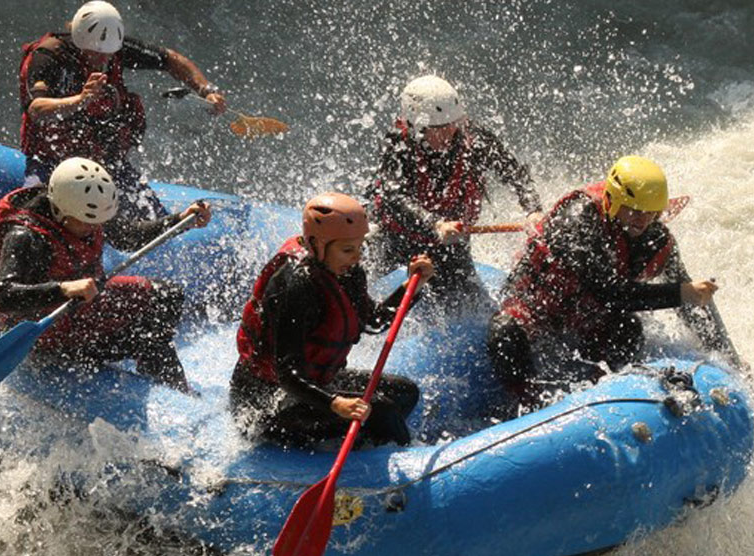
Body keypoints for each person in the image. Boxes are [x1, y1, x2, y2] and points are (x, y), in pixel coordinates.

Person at [487, 156, 723, 408]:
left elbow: (693, 300)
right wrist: (681, 293)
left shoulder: (656, 238)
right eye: (634, 211)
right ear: (612, 200)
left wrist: (723, 353)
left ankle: (601, 391)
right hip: (536, 309)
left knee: (628, 330)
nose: (642, 221)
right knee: (504, 332)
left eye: (651, 213)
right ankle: (526, 403)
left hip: (586, 319)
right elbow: (610, 294)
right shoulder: (578, 218)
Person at [0, 157, 211, 391]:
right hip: (43, 329)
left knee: (167, 296)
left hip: (82, 306)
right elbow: (5, 297)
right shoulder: (26, 235)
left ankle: (159, 376)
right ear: (59, 210)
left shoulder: (85, 207)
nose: (94, 229)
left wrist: (179, 221)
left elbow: (128, 237)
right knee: (145, 337)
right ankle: (166, 386)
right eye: (86, 224)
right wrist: (64, 289)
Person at [231, 193, 434, 449]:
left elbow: (372, 322)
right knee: (381, 410)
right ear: (316, 245)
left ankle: (366, 446)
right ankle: (404, 462)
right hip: (267, 403)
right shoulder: (294, 287)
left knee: (404, 393)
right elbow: (287, 375)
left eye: (360, 247)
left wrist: (411, 287)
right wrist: (335, 403)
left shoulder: (348, 273)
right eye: (348, 249)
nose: (357, 257)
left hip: (314, 385)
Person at [17, 1, 226, 223]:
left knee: (156, 221)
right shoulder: (48, 56)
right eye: (96, 54)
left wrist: (206, 90)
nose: (103, 60)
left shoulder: (113, 47)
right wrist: (81, 99)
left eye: (108, 54)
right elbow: (37, 109)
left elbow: (171, 59)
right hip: (52, 161)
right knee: (32, 217)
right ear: (80, 41)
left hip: (106, 162)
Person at [364, 75, 540, 316]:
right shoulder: (398, 145)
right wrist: (434, 223)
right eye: (438, 129)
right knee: (353, 270)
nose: (448, 133)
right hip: (395, 235)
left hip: (448, 244)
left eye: (452, 124)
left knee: (472, 310)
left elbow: (514, 174)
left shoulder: (475, 139)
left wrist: (533, 210)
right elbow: (393, 196)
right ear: (416, 126)